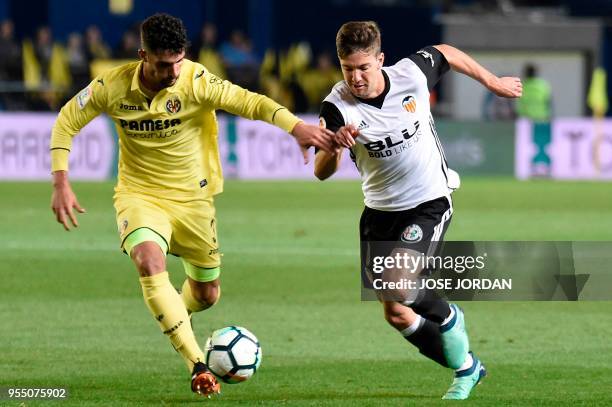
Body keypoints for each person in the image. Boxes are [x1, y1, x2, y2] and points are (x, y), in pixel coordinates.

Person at [50, 13, 335, 397]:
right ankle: (197, 364)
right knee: (149, 261)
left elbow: (249, 102)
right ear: (143, 56)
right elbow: (67, 120)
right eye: (164, 64)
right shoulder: (112, 86)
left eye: (178, 61)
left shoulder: (197, 80)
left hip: (194, 201)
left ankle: (170, 314)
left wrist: (295, 126)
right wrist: (61, 180)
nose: (173, 71)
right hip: (140, 195)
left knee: (206, 294)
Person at [315, 21, 521, 400]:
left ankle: (449, 318)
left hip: (429, 201)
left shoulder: (410, 73)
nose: (356, 78)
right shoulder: (336, 106)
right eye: (348, 69)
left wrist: (492, 82)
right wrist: (334, 147)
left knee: (399, 283)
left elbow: (447, 52)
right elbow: (320, 173)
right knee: (396, 313)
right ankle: (466, 366)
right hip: (378, 213)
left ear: (380, 59)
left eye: (364, 67)